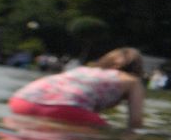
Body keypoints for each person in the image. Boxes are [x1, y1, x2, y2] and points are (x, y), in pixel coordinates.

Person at [8, 47, 148, 129]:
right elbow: (135, 122)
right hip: (65, 108)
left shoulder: (84, 70)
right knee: (106, 135)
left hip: (21, 101)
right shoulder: (133, 81)